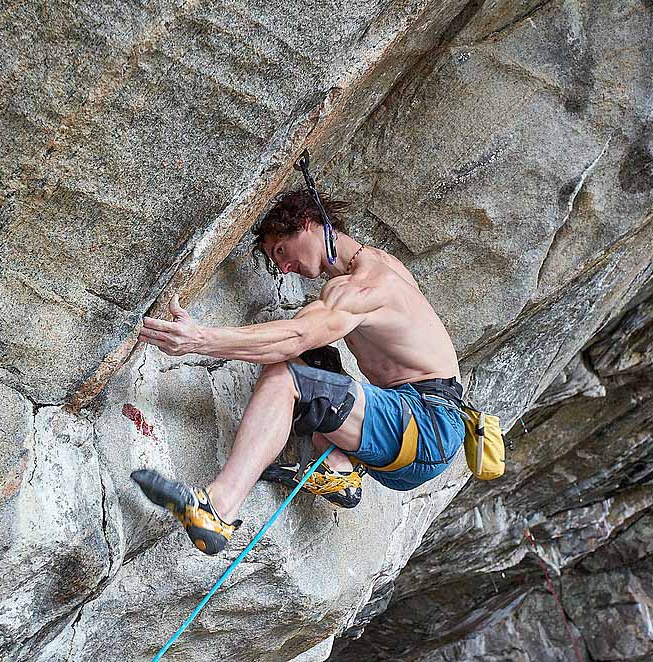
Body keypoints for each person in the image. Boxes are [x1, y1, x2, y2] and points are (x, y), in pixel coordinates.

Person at [131, 189, 466, 555]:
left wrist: (200, 340)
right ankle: (339, 470)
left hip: (427, 426)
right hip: (416, 430)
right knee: (313, 361)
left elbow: (293, 338)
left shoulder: (365, 286)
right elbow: (302, 340)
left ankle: (217, 508)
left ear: (307, 224)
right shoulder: (377, 263)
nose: (284, 267)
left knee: (287, 374)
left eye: (280, 251)